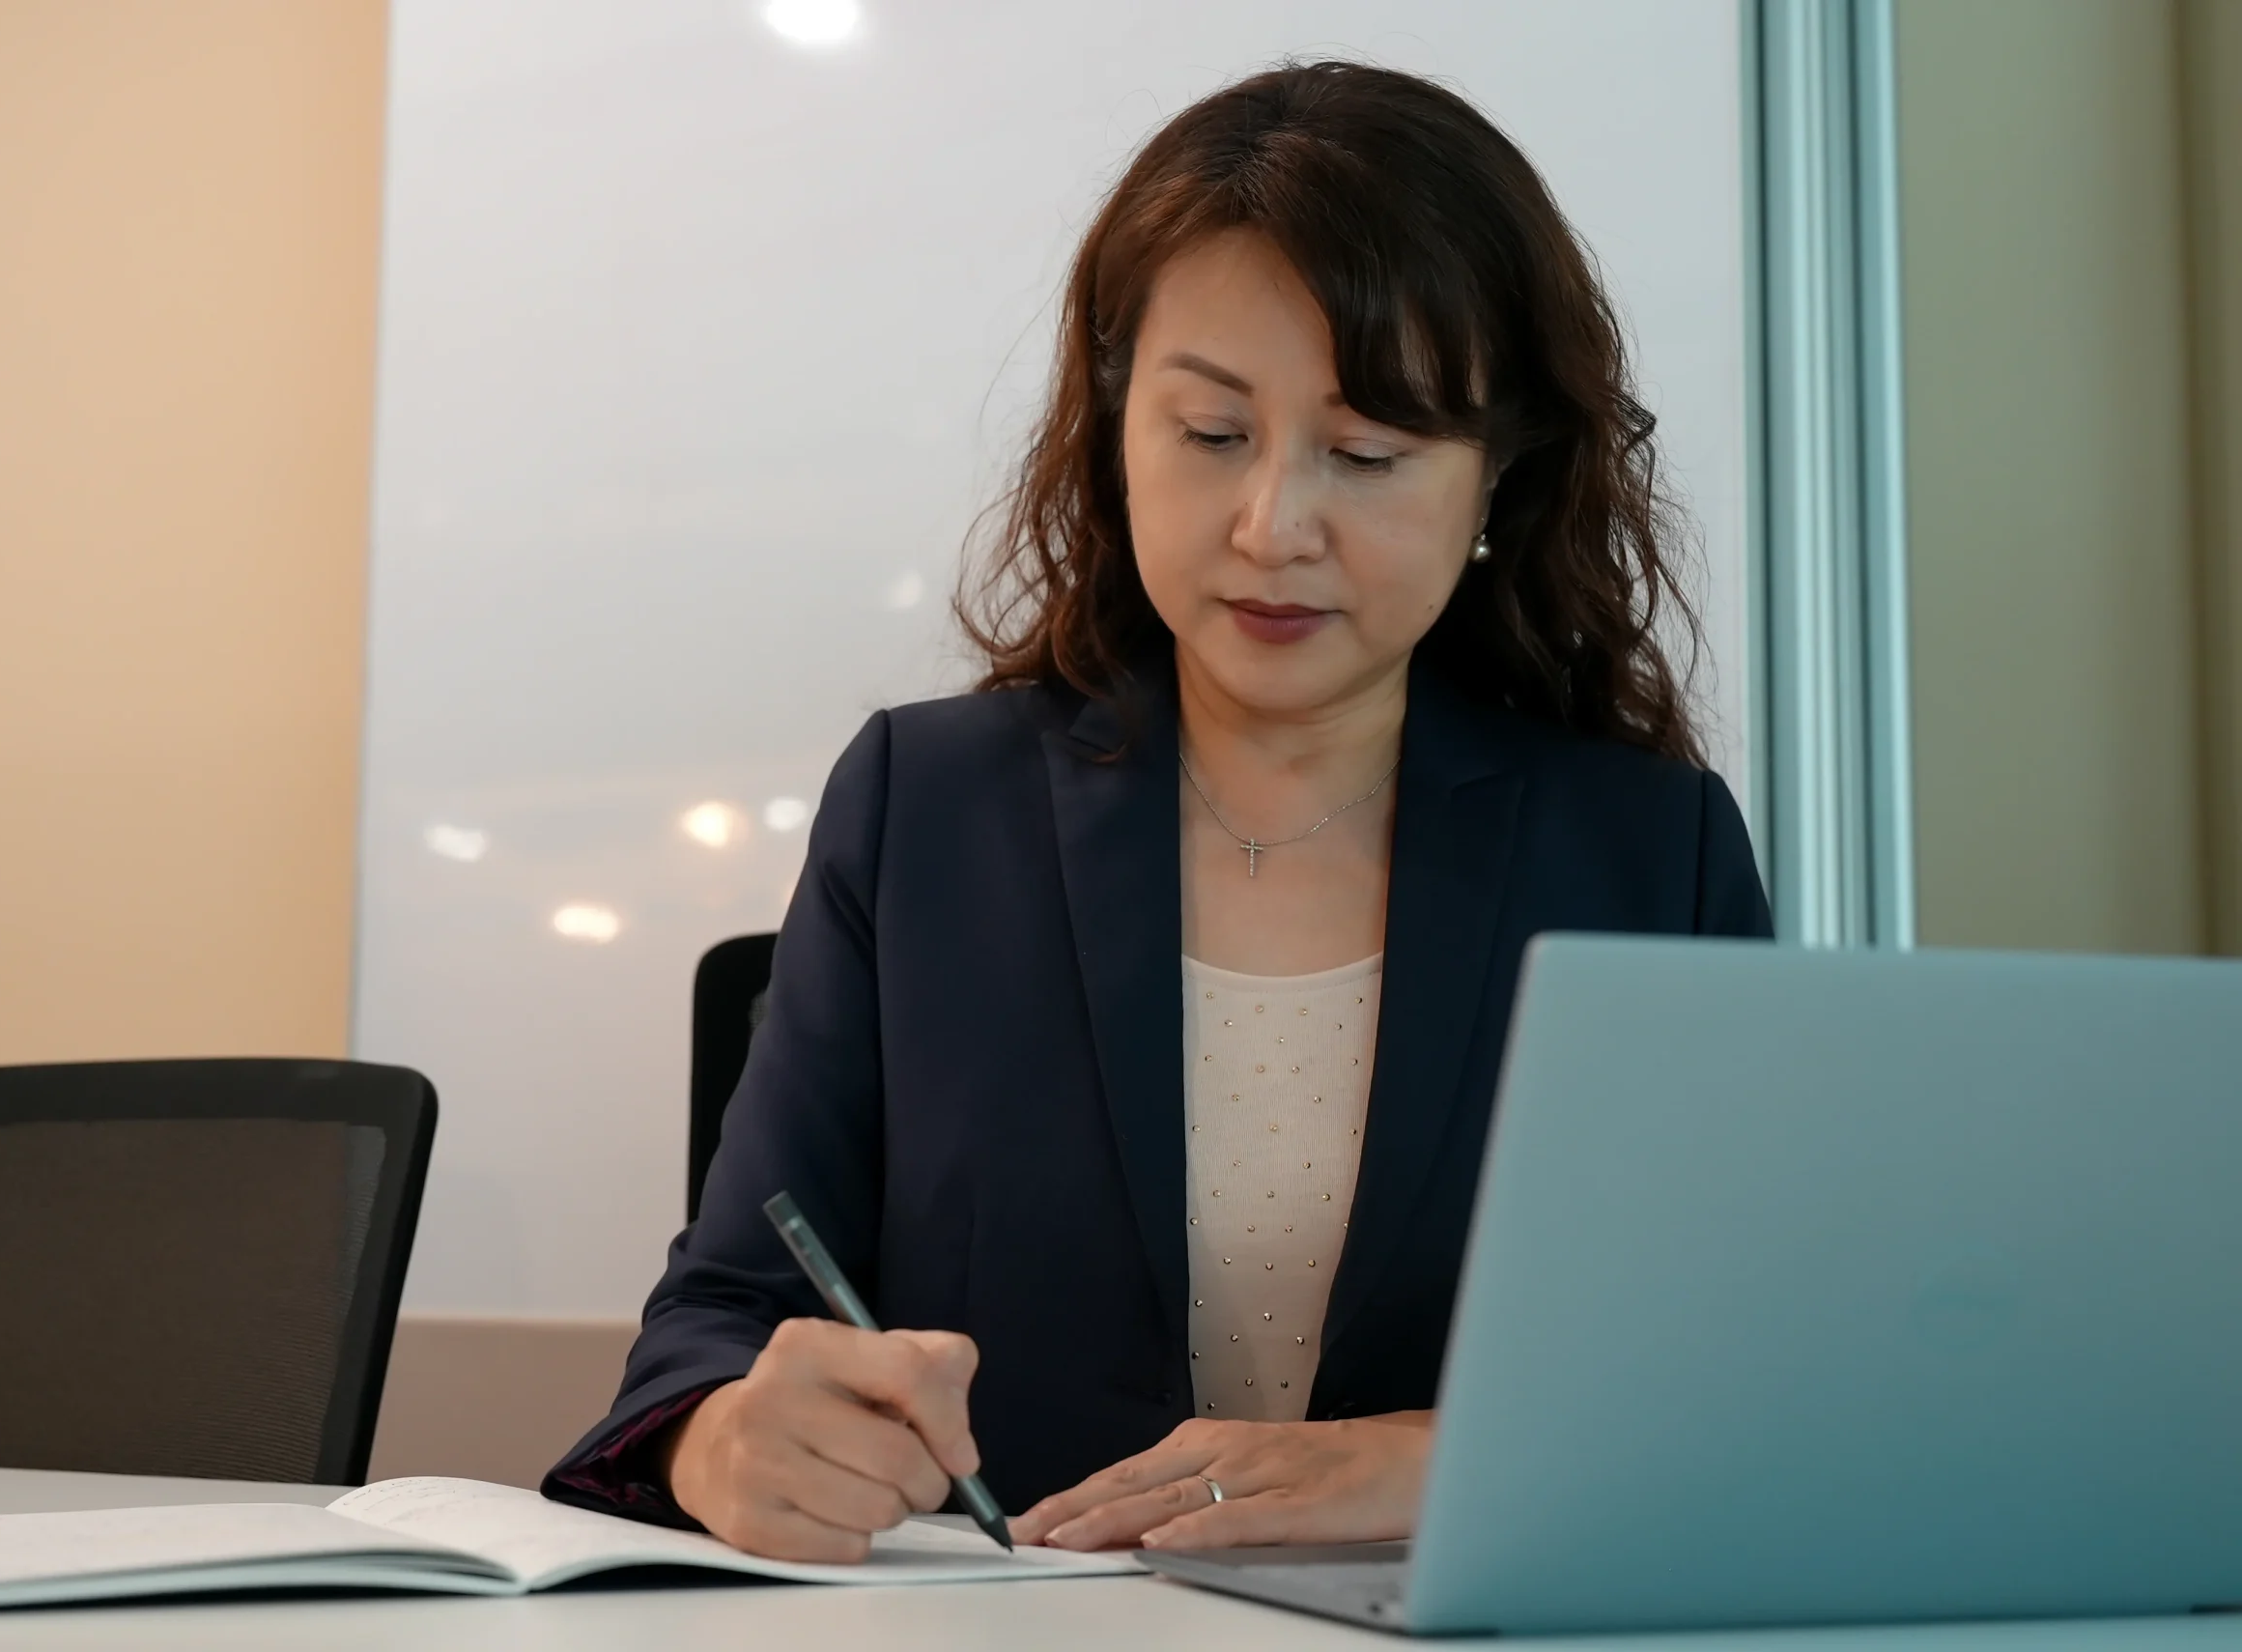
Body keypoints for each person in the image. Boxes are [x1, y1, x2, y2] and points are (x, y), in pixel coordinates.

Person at [544, 59, 1769, 1561]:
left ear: (1496, 482)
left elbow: (1742, 1389)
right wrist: (728, 1434)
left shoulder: (1650, 854)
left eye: (1368, 454)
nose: (1273, 526)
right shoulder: (921, 812)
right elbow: (714, 1328)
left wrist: (1446, 1465)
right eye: (1210, 435)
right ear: (1120, 426)